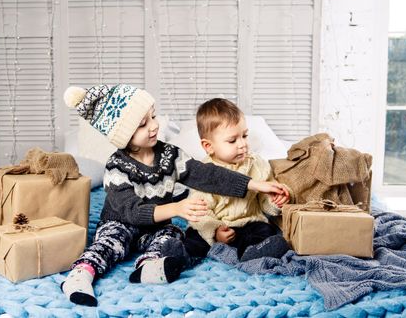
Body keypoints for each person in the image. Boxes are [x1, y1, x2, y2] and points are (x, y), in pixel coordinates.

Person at [60, 85, 287, 307]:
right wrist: (177, 209)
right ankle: (82, 274)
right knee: (112, 242)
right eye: (142, 124)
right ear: (123, 136)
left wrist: (254, 184)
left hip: (155, 226)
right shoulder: (116, 167)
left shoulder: (170, 154)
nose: (154, 126)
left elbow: (207, 174)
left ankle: (149, 267)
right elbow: (132, 211)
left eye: (153, 117)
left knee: (172, 236)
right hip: (121, 222)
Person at [166, 98, 292, 264]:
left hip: (249, 223)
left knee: (265, 230)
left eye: (244, 136)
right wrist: (215, 231)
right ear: (208, 146)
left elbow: (264, 202)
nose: (242, 144)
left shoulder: (256, 165)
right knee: (194, 238)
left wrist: (276, 202)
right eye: (232, 140)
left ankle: (253, 253)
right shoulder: (205, 173)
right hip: (218, 223)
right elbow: (200, 213)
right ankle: (175, 259)